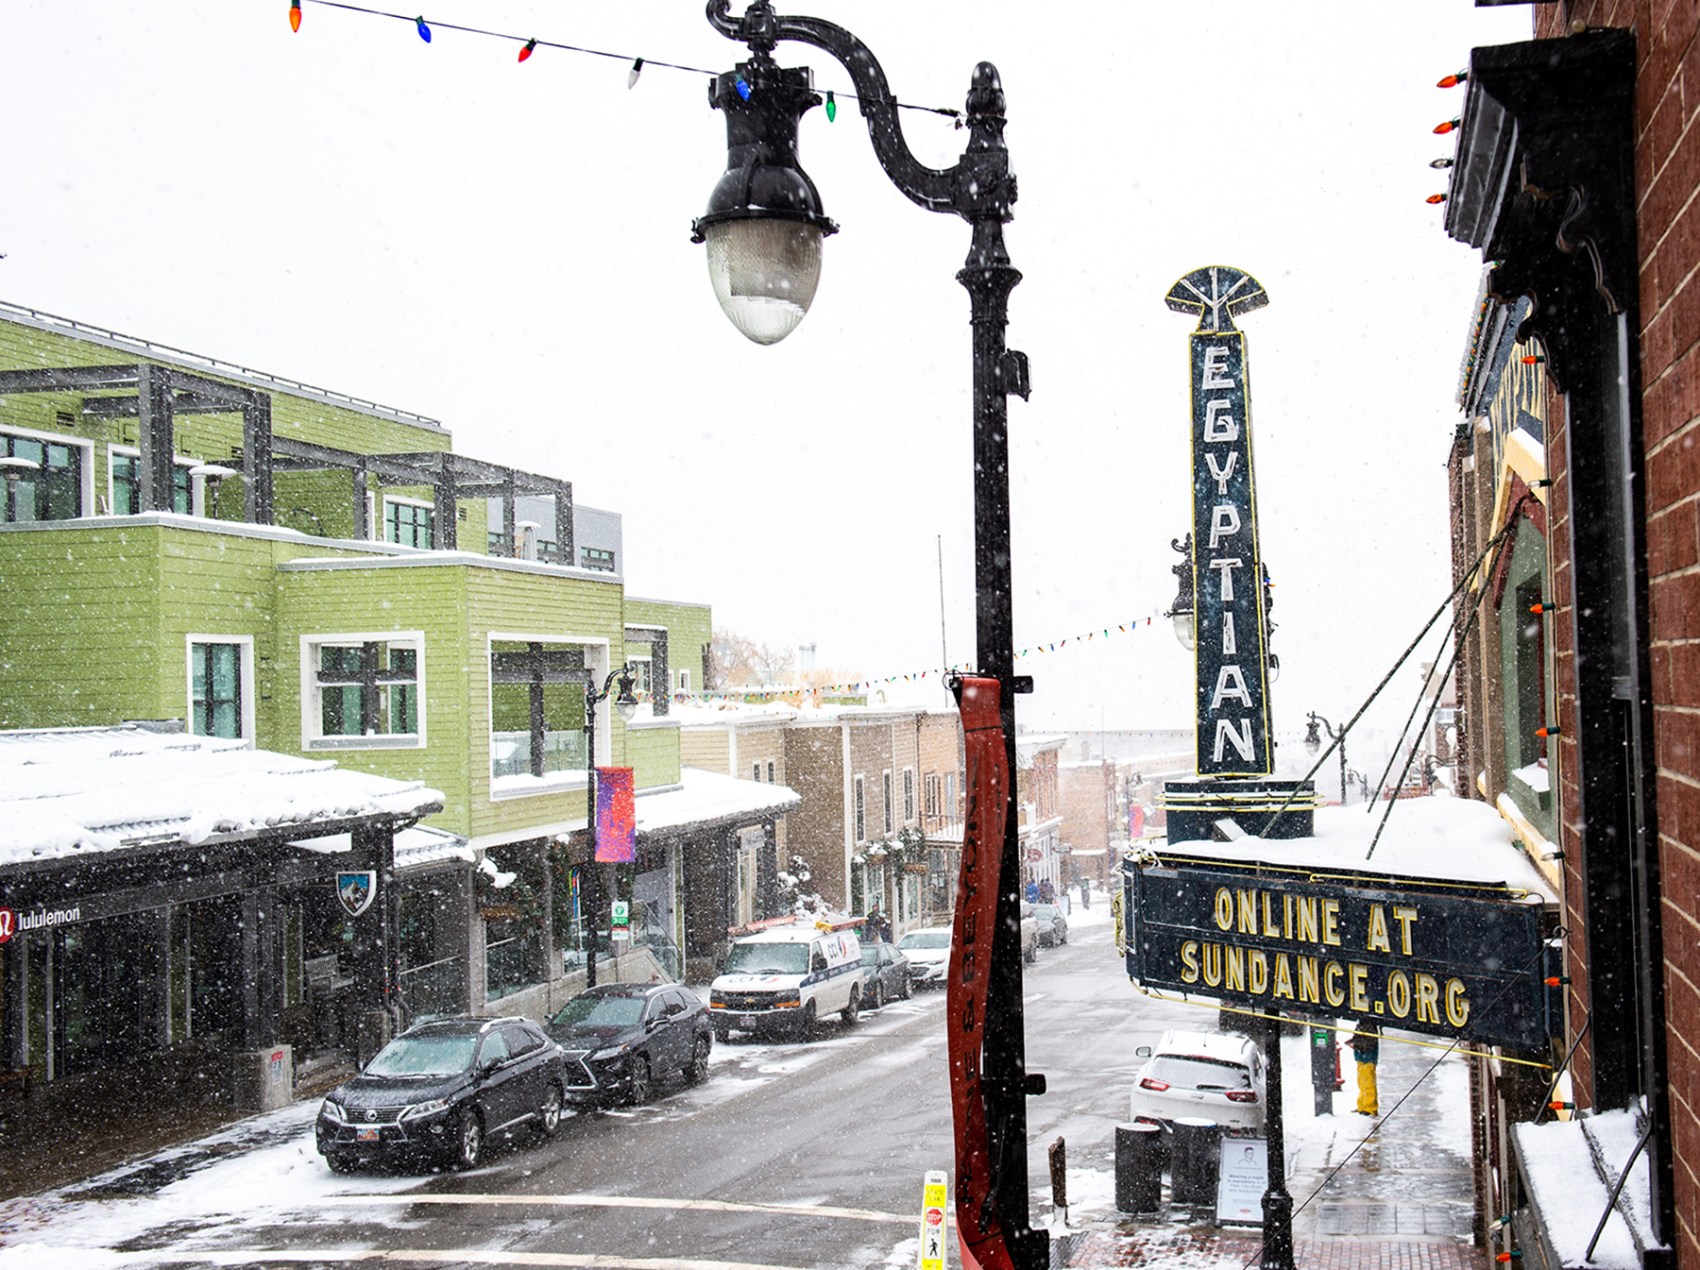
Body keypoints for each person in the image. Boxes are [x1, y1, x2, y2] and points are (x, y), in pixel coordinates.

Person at [1350, 1021, 1380, 1116]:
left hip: (1367, 1058)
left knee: (1368, 1083)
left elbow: (1369, 1043)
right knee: (1362, 1082)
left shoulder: (1368, 1026)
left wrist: (1356, 1045)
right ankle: (1363, 1105)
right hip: (1362, 1057)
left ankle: (1369, 1107)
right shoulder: (1364, 1024)